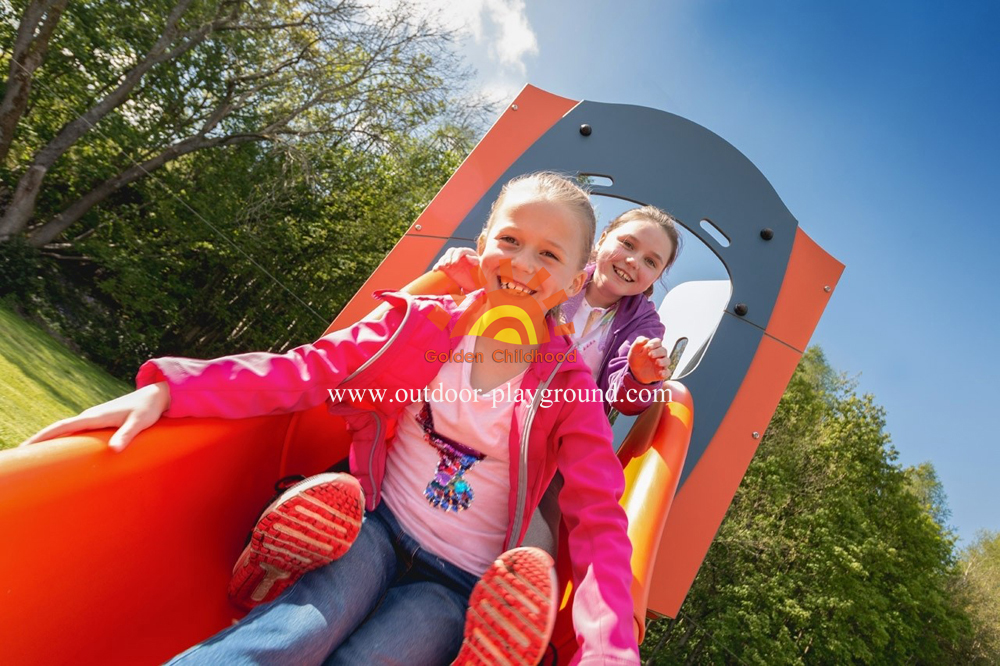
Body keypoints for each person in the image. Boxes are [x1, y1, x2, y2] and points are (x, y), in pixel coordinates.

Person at [23, 172, 641, 666]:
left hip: (457, 581)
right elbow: (311, 367)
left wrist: (611, 650)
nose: (522, 263)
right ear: (482, 246)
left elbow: (599, 519)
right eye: (509, 240)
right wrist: (174, 389)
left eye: (549, 254)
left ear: (573, 281)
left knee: (375, 657)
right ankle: (279, 572)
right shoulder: (418, 324)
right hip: (373, 528)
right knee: (295, 633)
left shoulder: (569, 389)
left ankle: (472, 645)